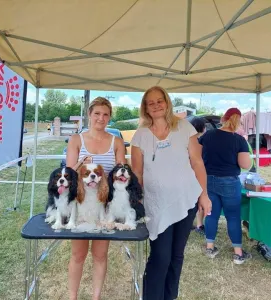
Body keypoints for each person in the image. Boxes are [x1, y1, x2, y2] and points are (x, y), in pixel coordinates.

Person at [131, 86, 211, 300]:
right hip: (156, 204)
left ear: (167, 102)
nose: (156, 105)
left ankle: (170, 296)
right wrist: (135, 202)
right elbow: (137, 172)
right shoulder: (140, 135)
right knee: (161, 256)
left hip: (187, 199)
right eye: (151, 102)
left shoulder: (184, 127)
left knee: (176, 255)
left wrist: (204, 195)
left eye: (160, 101)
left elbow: (197, 162)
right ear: (145, 108)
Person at [65, 97, 126, 300]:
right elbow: (69, 175)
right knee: (78, 255)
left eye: (105, 114)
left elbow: (121, 174)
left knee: (100, 255)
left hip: (105, 206)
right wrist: (82, 164)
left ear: (109, 117)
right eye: (97, 113)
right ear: (89, 115)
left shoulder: (116, 142)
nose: (101, 118)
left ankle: (96, 297)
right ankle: (72, 296)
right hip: (81, 205)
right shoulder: (76, 140)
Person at [199, 107, 252, 264]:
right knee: (233, 217)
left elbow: (198, 157)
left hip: (208, 180)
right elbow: (245, 164)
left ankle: (210, 247)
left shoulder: (208, 135)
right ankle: (238, 253)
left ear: (223, 118)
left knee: (211, 214)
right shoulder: (239, 140)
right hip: (230, 181)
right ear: (238, 121)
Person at [190, 117, 207, 235]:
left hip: (187, 175)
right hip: (198, 174)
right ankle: (200, 225)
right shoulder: (202, 142)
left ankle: (189, 223)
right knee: (199, 199)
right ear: (203, 128)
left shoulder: (186, 140)